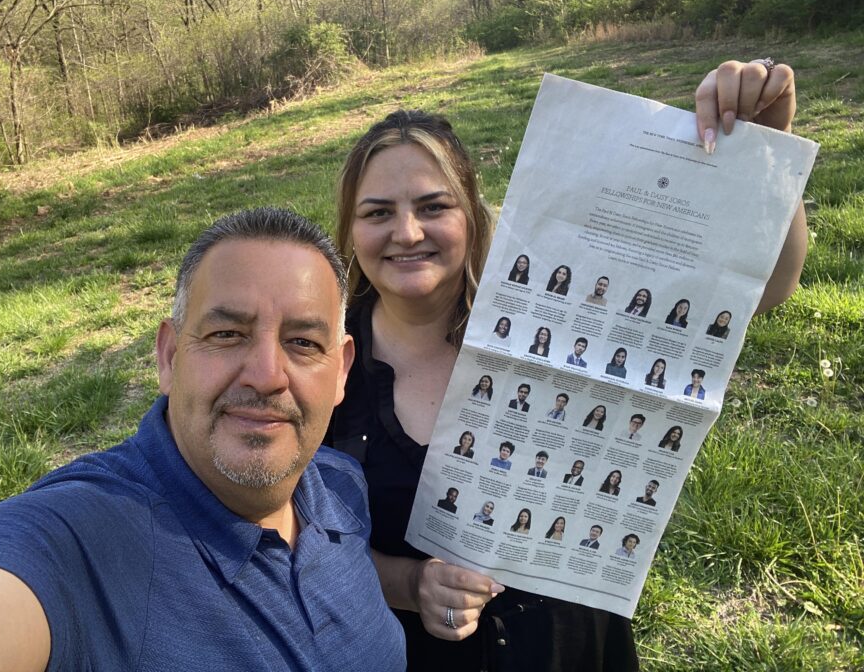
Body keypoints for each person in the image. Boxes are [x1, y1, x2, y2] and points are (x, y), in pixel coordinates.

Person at [327, 58, 808, 671]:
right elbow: (290, 535)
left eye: (433, 205)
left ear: (471, 214)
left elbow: (767, 286)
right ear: (350, 228)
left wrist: (765, 147)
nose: (407, 231)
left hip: (573, 646)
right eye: (377, 213)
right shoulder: (320, 357)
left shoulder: (552, 303)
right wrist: (408, 584)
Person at [0, 208, 407, 672]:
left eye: (303, 342)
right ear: (168, 356)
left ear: (340, 372)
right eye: (227, 334)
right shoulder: (86, 540)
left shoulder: (338, 483)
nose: (265, 374)